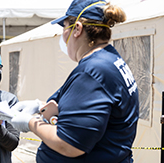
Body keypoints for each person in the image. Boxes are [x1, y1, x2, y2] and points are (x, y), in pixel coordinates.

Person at [9, 0, 139, 163]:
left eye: (64, 27)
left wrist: (31, 123)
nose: (63, 36)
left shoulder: (93, 71)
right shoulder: (110, 60)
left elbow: (69, 144)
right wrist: (40, 105)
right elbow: (89, 110)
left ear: (77, 29)